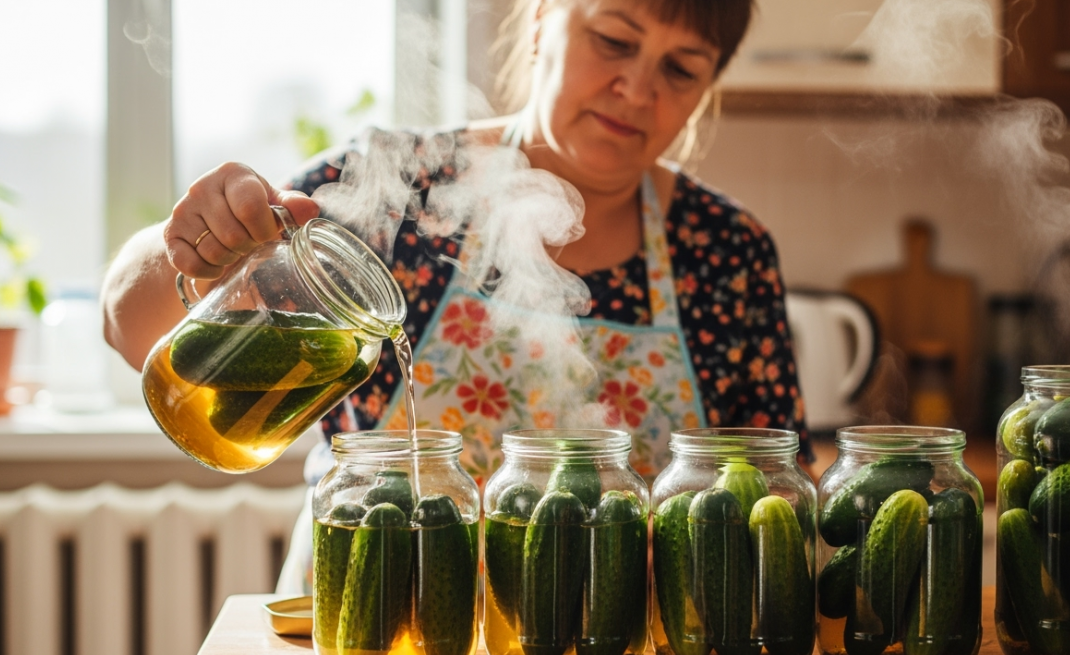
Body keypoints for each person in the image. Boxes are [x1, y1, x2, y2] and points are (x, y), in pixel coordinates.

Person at [102, 0, 810, 592]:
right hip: (367, 643)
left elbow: (775, 491)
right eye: (613, 39)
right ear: (541, 20)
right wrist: (202, 252)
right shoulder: (399, 187)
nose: (637, 88)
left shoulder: (728, 252)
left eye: (681, 69)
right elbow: (128, 322)